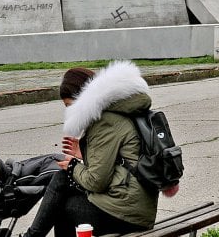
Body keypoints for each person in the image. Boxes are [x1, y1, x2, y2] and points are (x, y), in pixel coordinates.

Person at [20, 60, 177, 237]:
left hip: (126, 214)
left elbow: (96, 181)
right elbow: (119, 164)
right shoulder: (122, 109)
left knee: (62, 194)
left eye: (69, 106)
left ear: (82, 99)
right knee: (63, 188)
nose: (69, 113)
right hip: (135, 208)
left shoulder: (105, 122)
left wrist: (73, 166)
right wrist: (84, 155)